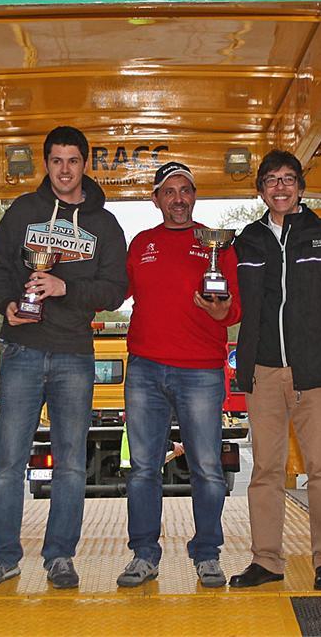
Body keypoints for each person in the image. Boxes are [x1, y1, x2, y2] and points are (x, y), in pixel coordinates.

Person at [0, 126, 127, 591]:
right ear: (47, 164)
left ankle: (60, 556)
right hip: (22, 350)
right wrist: (6, 306)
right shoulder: (23, 211)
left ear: (85, 165)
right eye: (57, 160)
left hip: (74, 356)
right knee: (6, 461)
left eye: (73, 160)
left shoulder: (104, 224)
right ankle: (3, 556)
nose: (65, 169)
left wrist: (67, 288)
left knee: (69, 464)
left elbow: (117, 290)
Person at [229, 150, 321, 592]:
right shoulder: (245, 241)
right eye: (271, 180)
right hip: (263, 373)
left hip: (317, 372)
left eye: (288, 179)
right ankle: (266, 561)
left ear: (301, 187)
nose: (280, 187)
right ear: (261, 190)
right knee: (264, 471)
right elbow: (231, 303)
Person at [115, 161, 240, 589]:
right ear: (156, 199)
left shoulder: (217, 244)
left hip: (201, 371)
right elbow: (114, 293)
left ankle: (207, 554)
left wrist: (220, 310)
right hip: (145, 370)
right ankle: (144, 555)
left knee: (207, 467)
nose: (178, 199)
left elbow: (233, 309)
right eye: (169, 191)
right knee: (143, 468)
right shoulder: (141, 243)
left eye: (185, 190)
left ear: (194, 196)